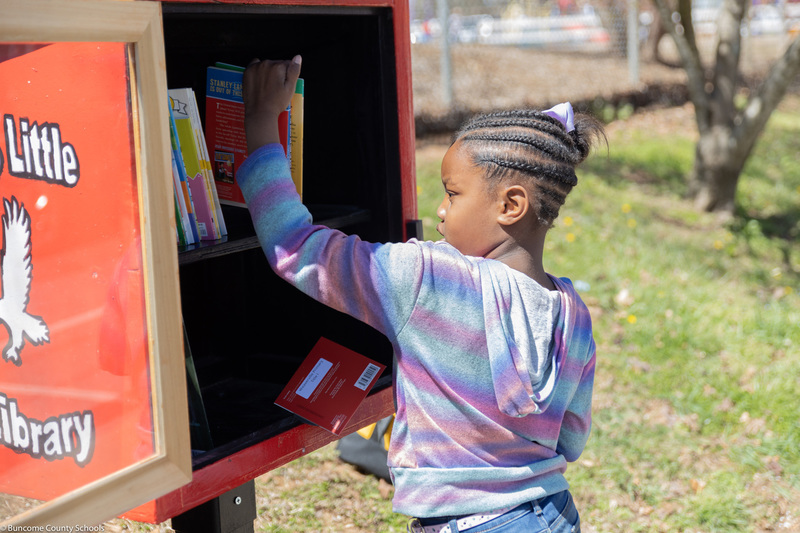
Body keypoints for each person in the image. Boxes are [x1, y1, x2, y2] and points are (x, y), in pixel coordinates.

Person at [240, 56, 604, 533]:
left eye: (452, 194)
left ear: (511, 205)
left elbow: (297, 248)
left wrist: (261, 123)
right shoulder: (574, 314)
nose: (439, 208)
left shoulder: (426, 279)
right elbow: (571, 440)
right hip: (552, 515)